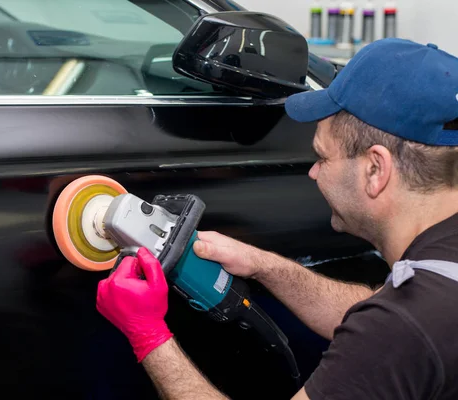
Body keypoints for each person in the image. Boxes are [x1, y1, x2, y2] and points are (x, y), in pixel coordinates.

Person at [95, 37, 458, 400]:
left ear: (375, 170)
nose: (314, 173)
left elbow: (390, 332)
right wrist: (260, 264)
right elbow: (370, 313)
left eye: (323, 157)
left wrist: (147, 335)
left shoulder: (403, 329)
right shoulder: (434, 281)